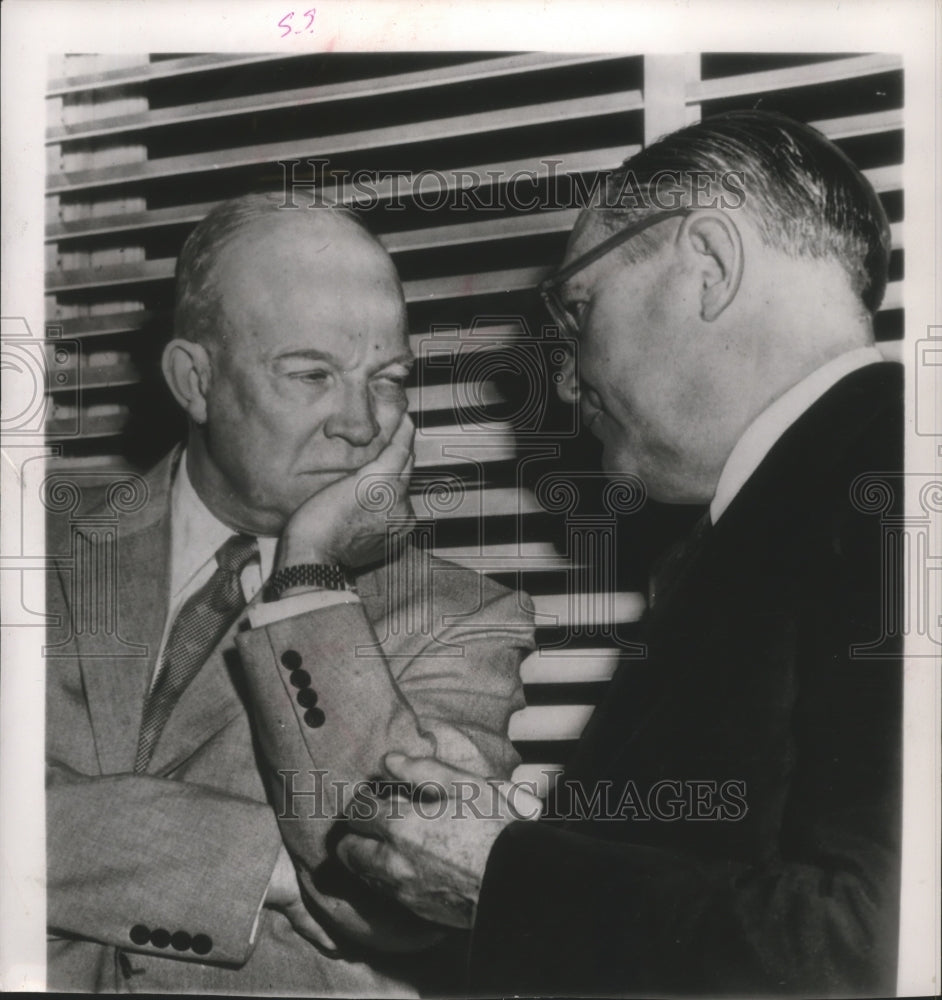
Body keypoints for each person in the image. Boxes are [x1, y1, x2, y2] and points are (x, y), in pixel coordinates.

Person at [335, 110, 904, 997]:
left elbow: (875, 949)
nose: (563, 378)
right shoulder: (785, 513)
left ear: (709, 266)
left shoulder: (897, 483)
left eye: (578, 308)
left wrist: (507, 877)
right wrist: (533, 835)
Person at [44, 196, 535, 995]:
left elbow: (393, 890)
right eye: (313, 374)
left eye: (388, 380)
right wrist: (260, 864)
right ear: (194, 381)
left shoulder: (465, 620)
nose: (361, 423)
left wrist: (309, 573)